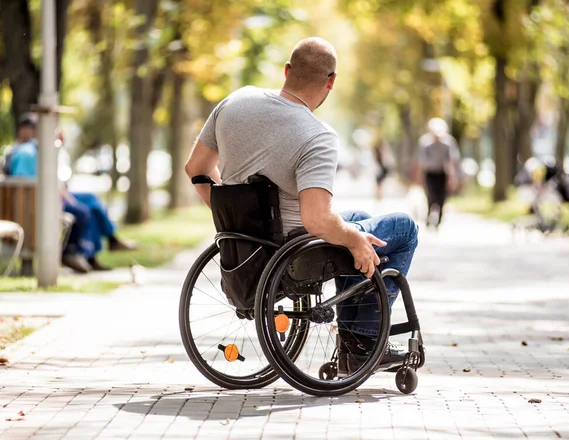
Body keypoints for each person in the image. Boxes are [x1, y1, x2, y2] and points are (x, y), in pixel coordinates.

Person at [185, 37, 419, 376]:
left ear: (287, 71)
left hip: (247, 247)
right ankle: (364, 341)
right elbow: (317, 220)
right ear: (331, 81)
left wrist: (232, 219)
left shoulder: (234, 102)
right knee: (403, 228)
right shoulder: (317, 136)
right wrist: (353, 240)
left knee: (360, 219)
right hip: (296, 251)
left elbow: (197, 169)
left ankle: (355, 341)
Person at [5, 113, 134, 273]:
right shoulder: (26, 152)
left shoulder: (34, 149)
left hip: (45, 198)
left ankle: (91, 254)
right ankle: (73, 251)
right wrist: (56, 192)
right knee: (83, 211)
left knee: (90, 202)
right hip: (37, 205)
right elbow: (25, 185)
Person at [416, 118, 460, 228]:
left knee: (442, 197)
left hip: (442, 173)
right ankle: (429, 215)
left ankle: (439, 218)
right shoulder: (424, 142)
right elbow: (420, 162)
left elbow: (452, 161)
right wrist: (418, 177)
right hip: (430, 173)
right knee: (430, 195)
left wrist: (452, 177)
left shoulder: (449, 142)